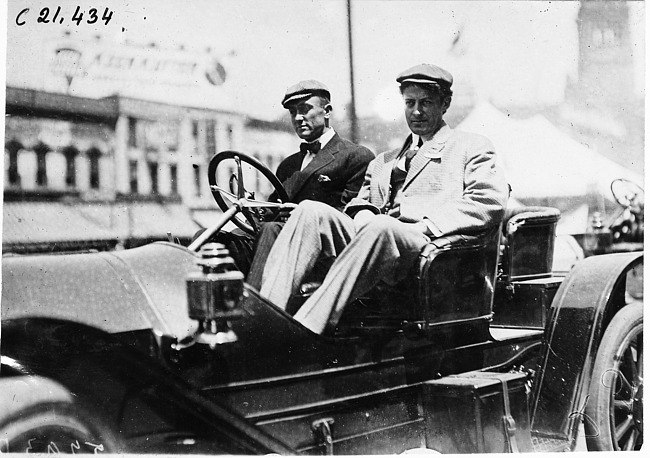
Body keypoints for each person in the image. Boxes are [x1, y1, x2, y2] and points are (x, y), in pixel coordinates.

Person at [257, 63, 509, 335]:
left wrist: (424, 226)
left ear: (445, 104)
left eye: (426, 103)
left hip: (428, 245)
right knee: (309, 211)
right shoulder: (384, 160)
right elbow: (360, 202)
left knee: (380, 227)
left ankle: (305, 329)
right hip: (376, 242)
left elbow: (487, 202)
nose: (416, 111)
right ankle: (265, 321)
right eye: (410, 102)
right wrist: (363, 214)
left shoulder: (470, 146)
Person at [211, 80, 374, 283]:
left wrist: (298, 216)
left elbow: (350, 216)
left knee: (271, 230)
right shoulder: (288, 165)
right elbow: (272, 210)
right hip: (275, 241)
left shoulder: (356, 156)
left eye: (305, 109)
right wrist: (254, 211)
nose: (298, 117)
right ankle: (216, 308)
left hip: (320, 251)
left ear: (327, 111)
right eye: (293, 112)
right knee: (212, 238)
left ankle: (255, 308)